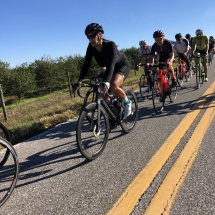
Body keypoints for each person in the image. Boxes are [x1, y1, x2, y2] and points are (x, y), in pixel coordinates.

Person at [72, 23, 132, 129]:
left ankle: (127, 102)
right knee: (102, 91)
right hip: (109, 68)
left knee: (112, 85)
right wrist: (80, 81)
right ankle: (110, 119)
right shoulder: (91, 48)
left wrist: (107, 81)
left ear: (100, 35)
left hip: (121, 66)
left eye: (92, 35)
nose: (90, 39)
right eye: (88, 36)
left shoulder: (110, 45)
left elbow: (111, 64)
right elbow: (86, 65)